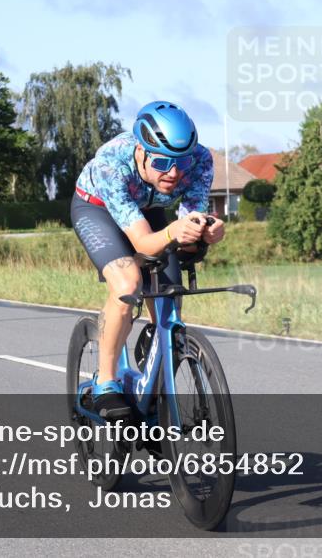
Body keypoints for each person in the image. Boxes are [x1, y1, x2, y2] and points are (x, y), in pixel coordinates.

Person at [70, 101, 224, 419]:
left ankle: (152, 405)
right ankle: (106, 383)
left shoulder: (201, 160)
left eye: (181, 162)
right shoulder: (112, 163)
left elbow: (190, 221)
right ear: (140, 151)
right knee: (128, 284)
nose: (174, 172)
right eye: (162, 162)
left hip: (147, 209)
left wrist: (206, 231)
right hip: (96, 208)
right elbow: (142, 244)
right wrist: (173, 233)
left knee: (169, 304)